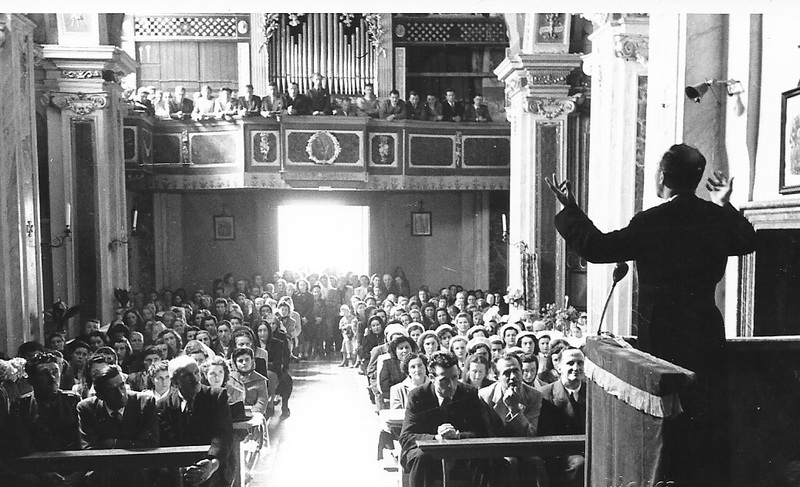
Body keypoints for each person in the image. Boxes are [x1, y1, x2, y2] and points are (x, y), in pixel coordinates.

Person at [547, 143, 757, 486]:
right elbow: (747, 240)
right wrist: (724, 204)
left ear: (662, 178)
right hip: (706, 330)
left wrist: (570, 209)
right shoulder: (715, 217)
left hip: (663, 334)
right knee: (703, 421)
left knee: (666, 424)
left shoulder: (652, 222)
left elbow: (598, 247)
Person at [399, 351, 489, 487]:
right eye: (444, 380)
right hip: (427, 455)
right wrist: (436, 438)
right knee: (421, 457)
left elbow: (482, 432)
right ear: (432, 377)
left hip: (461, 454)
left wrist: (458, 436)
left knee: (487, 460)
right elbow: (406, 437)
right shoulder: (418, 396)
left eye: (454, 378)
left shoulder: (468, 393)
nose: (451, 385)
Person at [5, 351, 83, 486]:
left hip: (71, 467)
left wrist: (78, 474)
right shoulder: (21, 405)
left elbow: (82, 441)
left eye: (55, 371)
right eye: (44, 373)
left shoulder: (72, 401)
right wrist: (43, 473)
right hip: (37, 469)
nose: (52, 377)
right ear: (31, 380)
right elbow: (22, 446)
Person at [157, 355, 234, 487]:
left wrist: (212, 463)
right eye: (187, 375)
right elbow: (168, 441)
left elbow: (222, 434)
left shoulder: (216, 397)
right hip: (179, 470)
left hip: (215, 465)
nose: (195, 379)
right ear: (175, 382)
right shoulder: (162, 405)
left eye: (196, 372)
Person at [77, 364, 159, 486]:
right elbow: (89, 449)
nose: (121, 394)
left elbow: (150, 443)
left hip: (137, 468)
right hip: (105, 471)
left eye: (122, 386)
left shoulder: (145, 402)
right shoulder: (87, 408)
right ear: (100, 395)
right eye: (112, 389)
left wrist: (113, 443)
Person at [479, 353, 546, 487]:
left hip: (525, 448)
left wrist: (514, 409)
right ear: (496, 376)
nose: (513, 377)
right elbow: (489, 434)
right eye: (507, 373)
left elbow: (531, 434)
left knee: (535, 462)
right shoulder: (484, 396)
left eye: (516, 371)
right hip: (497, 451)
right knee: (510, 462)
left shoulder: (534, 395)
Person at [537, 347, 586, 487]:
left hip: (586, 451)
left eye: (580, 363)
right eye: (570, 363)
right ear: (559, 367)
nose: (576, 368)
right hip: (555, 455)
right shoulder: (543, 395)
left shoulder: (593, 394)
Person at [229, 347, 269, 415]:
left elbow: (262, 401)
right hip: (233, 414)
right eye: (240, 361)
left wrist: (254, 412)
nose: (244, 363)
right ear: (235, 363)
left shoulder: (260, 380)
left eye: (247, 360)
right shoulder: (229, 379)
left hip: (254, 414)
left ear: (252, 361)